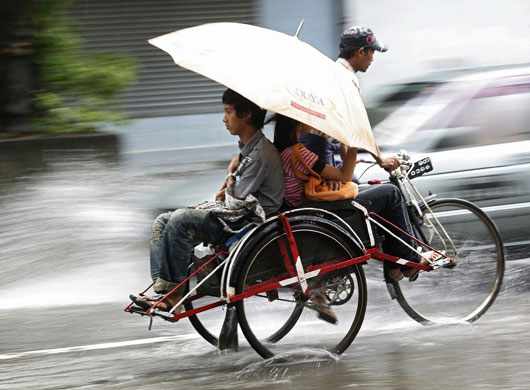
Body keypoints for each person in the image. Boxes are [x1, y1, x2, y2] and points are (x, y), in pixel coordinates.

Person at [132, 89, 285, 313]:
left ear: (247, 115)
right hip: (238, 216)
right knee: (162, 221)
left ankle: (174, 296)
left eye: (229, 112)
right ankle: (163, 288)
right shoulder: (248, 149)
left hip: (249, 223)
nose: (224, 119)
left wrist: (230, 176)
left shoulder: (260, 154)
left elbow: (234, 202)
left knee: (180, 221)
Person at [300, 26, 428, 282]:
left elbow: (336, 130)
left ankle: (393, 265)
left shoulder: (330, 73)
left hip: (323, 162)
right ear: (360, 52)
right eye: (372, 53)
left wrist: (346, 154)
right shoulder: (347, 80)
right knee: (390, 194)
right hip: (323, 171)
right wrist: (380, 159)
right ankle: (406, 262)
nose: (373, 58)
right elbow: (357, 127)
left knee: (369, 187)